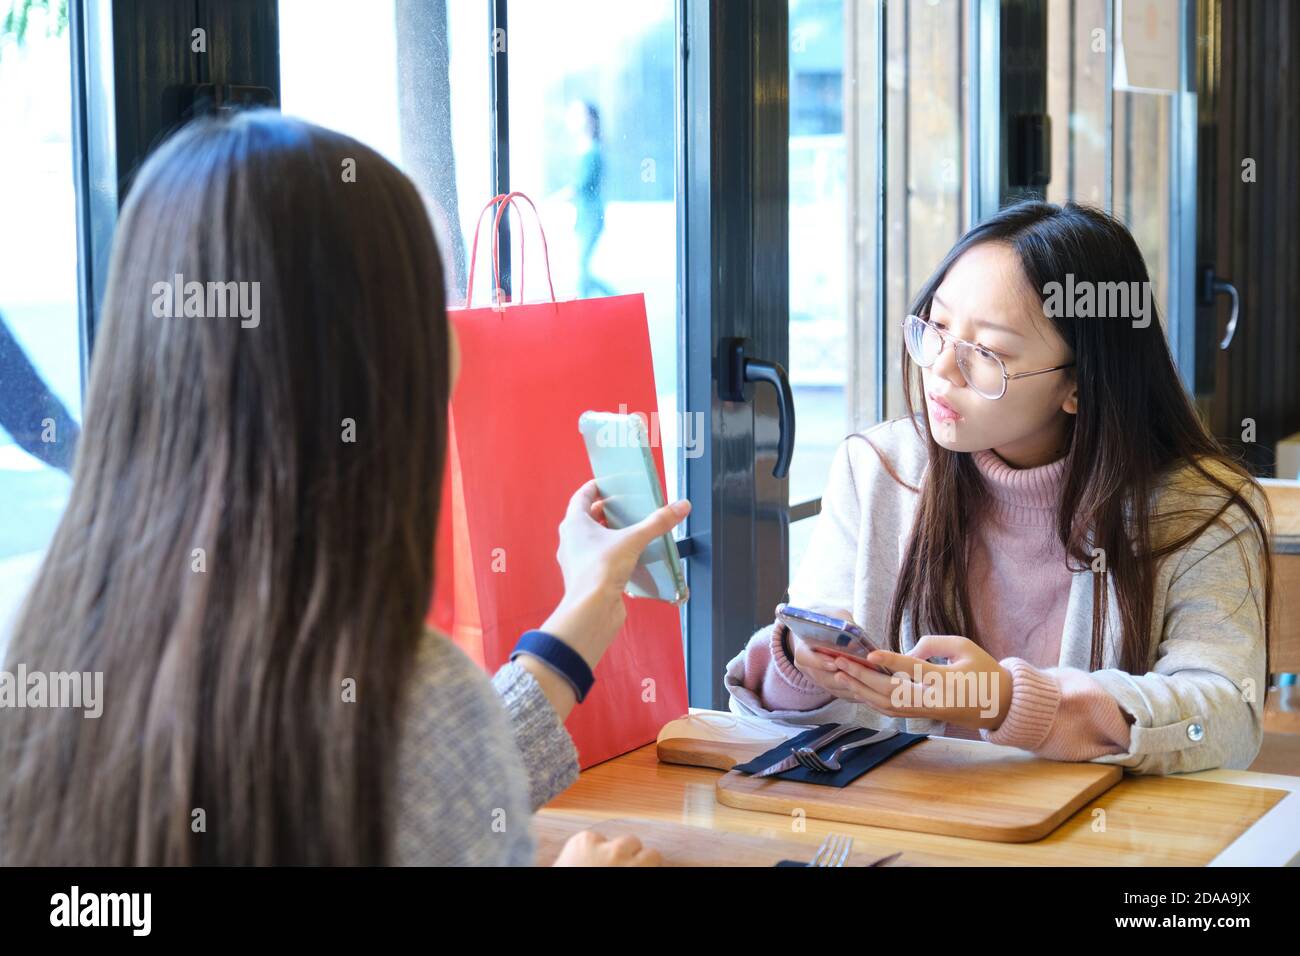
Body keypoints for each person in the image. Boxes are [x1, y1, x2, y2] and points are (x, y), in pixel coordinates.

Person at [0, 110, 688, 866]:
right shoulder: (401, 701)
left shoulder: (48, 657)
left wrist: (574, 625)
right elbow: (414, 774)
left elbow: (418, 790)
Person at [726, 200, 1272, 775]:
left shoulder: (1201, 512)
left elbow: (1225, 716)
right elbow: (789, 720)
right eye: (935, 327)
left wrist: (1010, 702)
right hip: (904, 828)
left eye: (985, 353)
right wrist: (799, 665)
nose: (940, 368)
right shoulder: (878, 471)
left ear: (1080, 386)